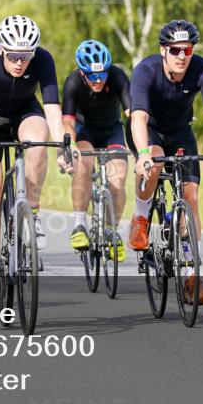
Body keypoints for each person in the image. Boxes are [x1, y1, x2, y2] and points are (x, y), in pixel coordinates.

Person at [128, 20, 203, 306]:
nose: (182, 56)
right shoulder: (146, 70)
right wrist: (143, 154)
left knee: (190, 197)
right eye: (175, 50)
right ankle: (140, 217)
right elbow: (138, 117)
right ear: (163, 50)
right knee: (155, 160)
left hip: (181, 132)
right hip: (149, 130)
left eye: (187, 50)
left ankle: (190, 274)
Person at [0, 15, 71, 304]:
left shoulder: (43, 59)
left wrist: (62, 148)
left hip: (25, 112)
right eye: (13, 55)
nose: (19, 62)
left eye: (25, 56)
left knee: (38, 141)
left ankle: (32, 212)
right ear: (1, 48)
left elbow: (52, 110)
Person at [62, 39, 130, 260]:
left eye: (102, 74)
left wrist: (142, 146)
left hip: (112, 130)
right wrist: (71, 146)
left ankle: (111, 231)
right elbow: (68, 122)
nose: (98, 80)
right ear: (83, 73)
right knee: (83, 165)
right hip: (84, 130)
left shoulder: (118, 77)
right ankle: (79, 225)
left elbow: (132, 114)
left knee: (118, 179)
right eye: (92, 76)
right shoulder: (73, 82)